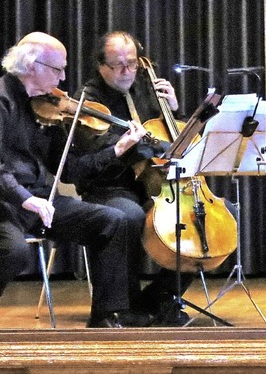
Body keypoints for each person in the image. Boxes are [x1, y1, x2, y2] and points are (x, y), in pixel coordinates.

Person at [69, 31, 237, 327]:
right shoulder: (90, 101)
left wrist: (174, 110)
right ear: (101, 66)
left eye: (132, 63)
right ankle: (116, 308)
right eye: (117, 64)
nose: (126, 71)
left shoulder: (149, 89)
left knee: (220, 215)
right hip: (111, 186)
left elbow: (178, 140)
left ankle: (162, 298)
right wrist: (133, 147)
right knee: (128, 216)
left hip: (159, 186)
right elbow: (94, 158)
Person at [0, 32, 152, 328]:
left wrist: (116, 150)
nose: (64, 77)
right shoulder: (2, 101)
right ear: (32, 66)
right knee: (13, 250)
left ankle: (108, 315)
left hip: (39, 200)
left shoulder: (47, 109)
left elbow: (69, 170)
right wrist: (25, 198)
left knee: (112, 221)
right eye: (58, 69)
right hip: (7, 202)